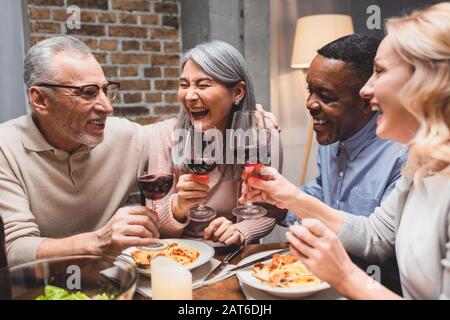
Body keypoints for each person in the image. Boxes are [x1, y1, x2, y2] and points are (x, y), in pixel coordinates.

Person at [244, 3, 450, 299]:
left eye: (379, 71)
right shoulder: (423, 164)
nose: (366, 90)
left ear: (427, 83)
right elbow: (376, 235)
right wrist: (284, 196)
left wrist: (343, 275)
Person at [0, 36, 160, 266]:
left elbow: (178, 134)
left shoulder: (124, 136)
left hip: (111, 282)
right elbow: (13, 249)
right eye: (87, 92)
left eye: (106, 90)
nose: (107, 107)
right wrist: (97, 241)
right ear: (40, 99)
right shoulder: (4, 149)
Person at [283, 34, 407, 293]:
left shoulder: (404, 155)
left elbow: (377, 242)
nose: (309, 104)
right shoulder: (334, 134)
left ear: (367, 102)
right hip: (320, 282)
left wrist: (288, 199)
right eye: (310, 91)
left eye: (326, 97)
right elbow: (323, 192)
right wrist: (279, 207)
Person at [149, 40, 283, 246]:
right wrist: (178, 206)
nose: (190, 96)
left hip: (235, 255)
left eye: (203, 85)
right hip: (180, 257)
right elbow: (154, 222)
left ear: (237, 92)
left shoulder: (262, 133)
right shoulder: (166, 134)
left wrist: (241, 231)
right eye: (184, 85)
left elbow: (269, 208)